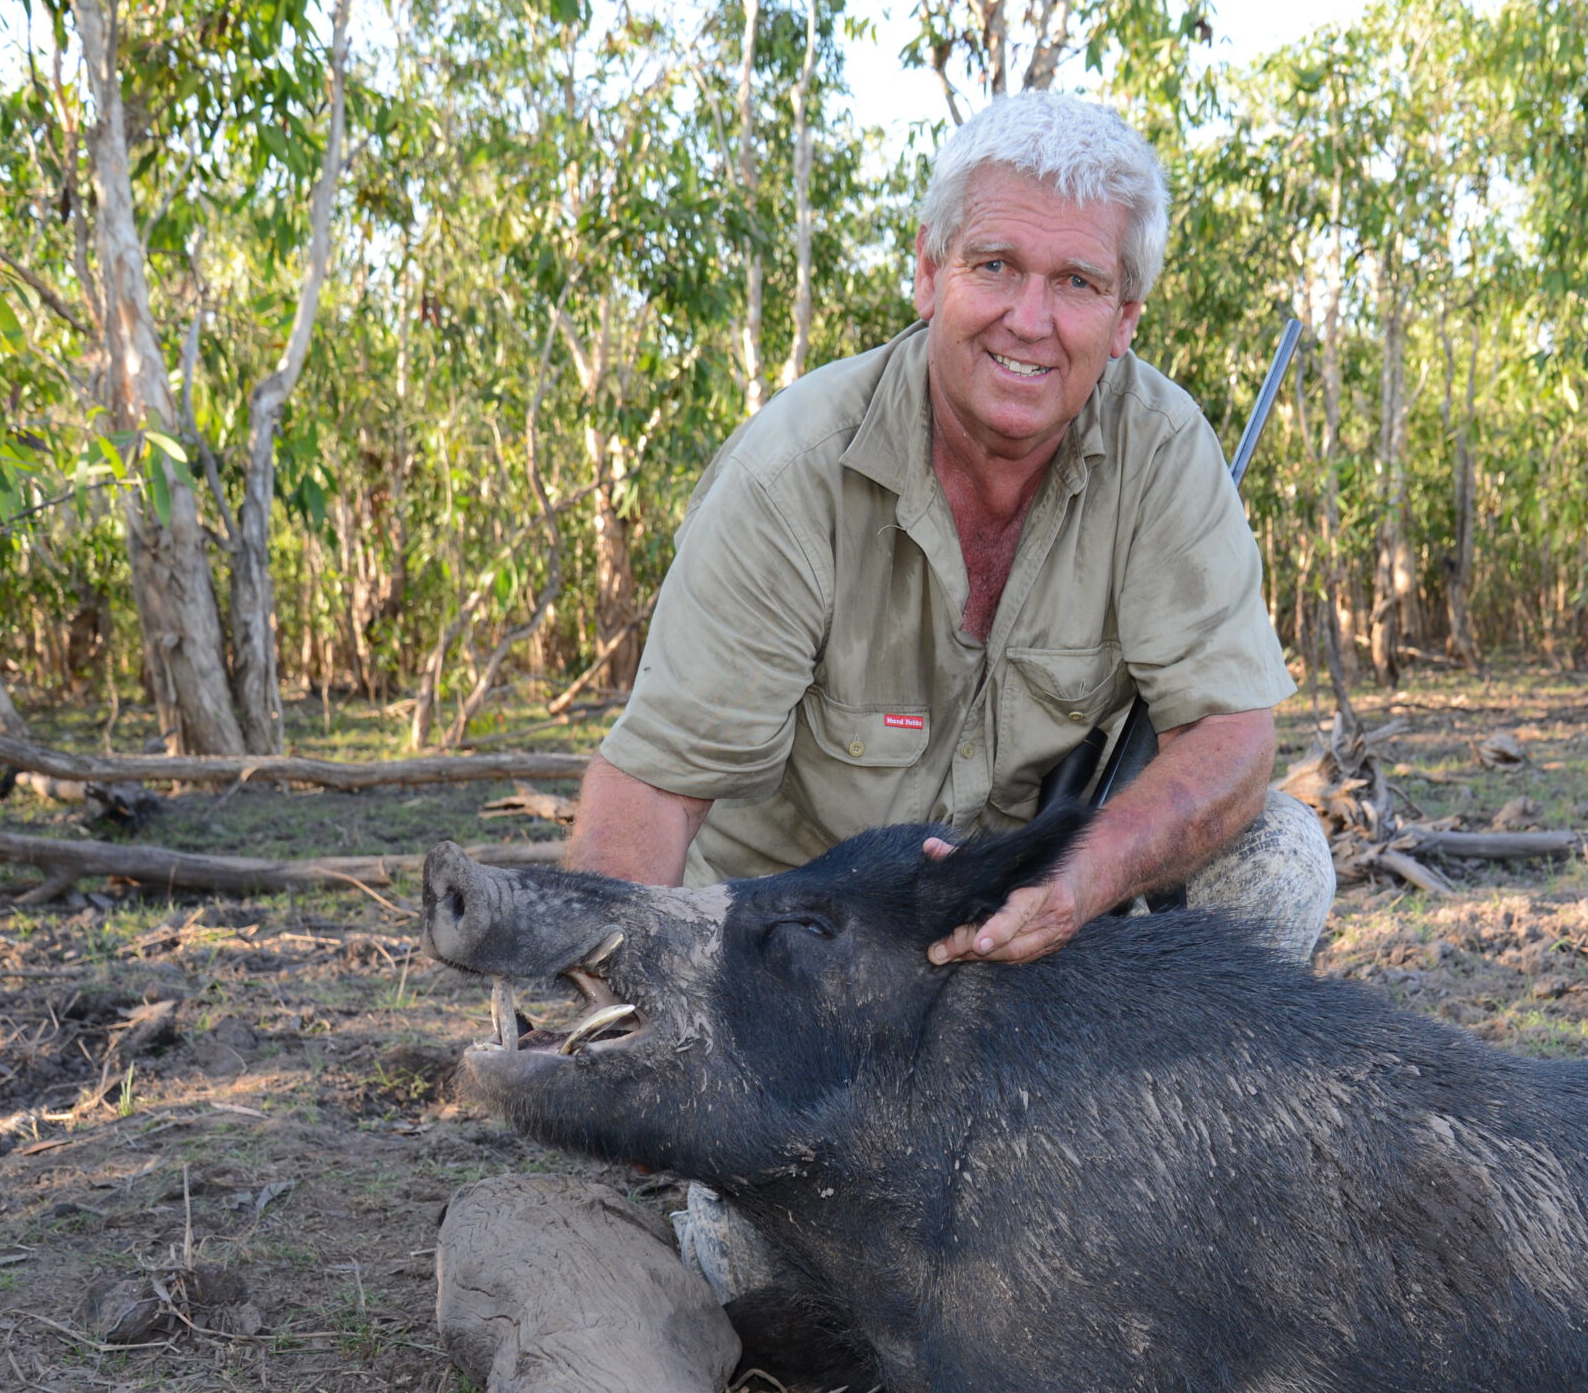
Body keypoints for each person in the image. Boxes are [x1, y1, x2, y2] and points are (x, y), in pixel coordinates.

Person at [564, 90, 1334, 965]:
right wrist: (611, 1000)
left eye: (1077, 282)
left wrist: (1080, 878)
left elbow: (1232, 736)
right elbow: (655, 788)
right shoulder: (789, 473)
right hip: (799, 941)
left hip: (1030, 930)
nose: (1030, 321)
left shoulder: (1163, 452)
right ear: (930, 273)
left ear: (1125, 319)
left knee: (1280, 859)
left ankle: (1165, 1103)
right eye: (996, 265)